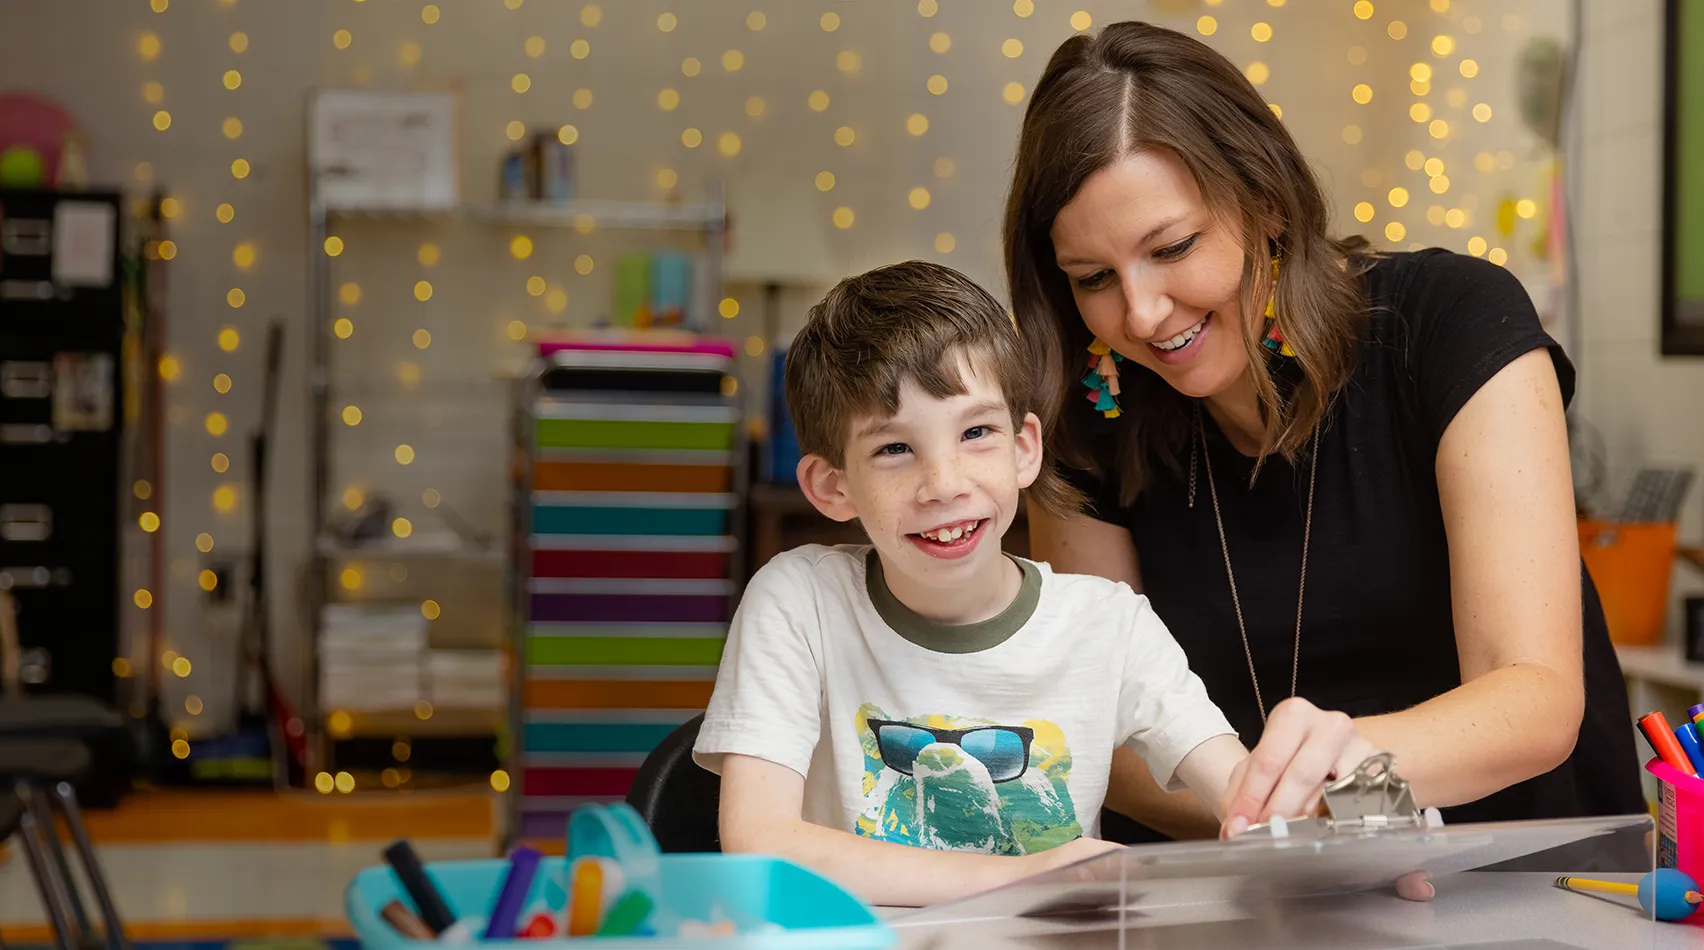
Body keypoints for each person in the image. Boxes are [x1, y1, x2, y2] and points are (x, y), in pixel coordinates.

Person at [1004, 21, 1643, 850]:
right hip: (1262, 900)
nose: (1141, 314)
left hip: (1525, 885)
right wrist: (1294, 824)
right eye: (1094, 279)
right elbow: (1108, 743)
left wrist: (1331, 797)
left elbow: (1534, 700)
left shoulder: (1451, 320)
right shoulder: (1092, 422)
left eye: (1173, 248)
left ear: (1266, 201)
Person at [693, 261, 1381, 908]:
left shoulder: (1106, 623)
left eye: (977, 433)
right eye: (895, 448)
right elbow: (761, 844)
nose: (946, 484)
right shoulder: (799, 601)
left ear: (1025, 448)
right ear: (832, 485)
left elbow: (1244, 791)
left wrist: (1380, 837)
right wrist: (1019, 878)